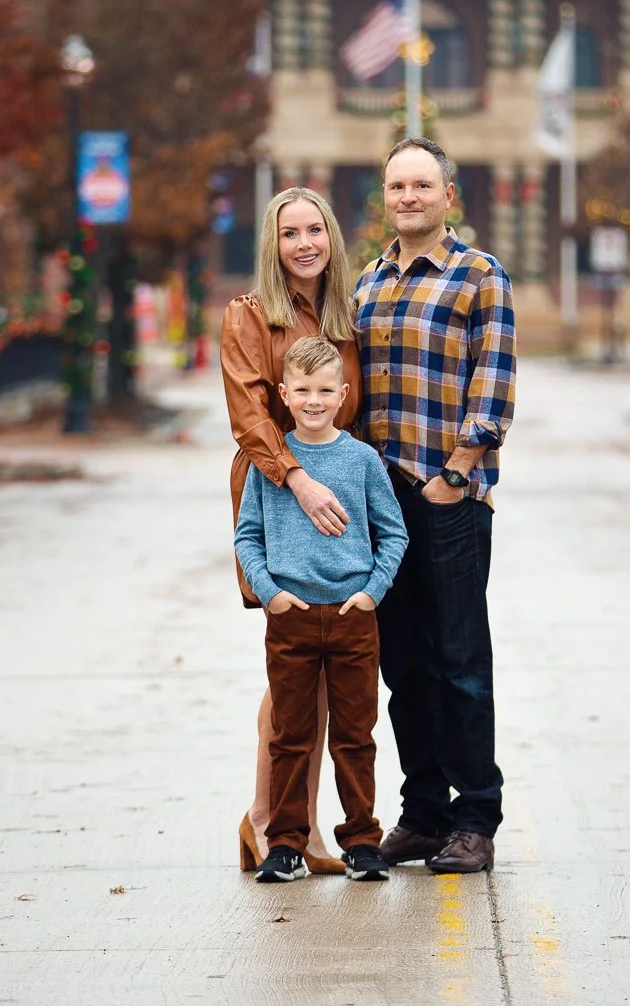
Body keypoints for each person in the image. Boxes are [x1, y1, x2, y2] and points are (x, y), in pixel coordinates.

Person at [357, 137, 517, 875]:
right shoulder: (368, 284)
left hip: (449, 499)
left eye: (422, 184)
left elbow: (495, 384)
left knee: (460, 661)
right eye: (397, 186)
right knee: (404, 667)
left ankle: (475, 816)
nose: (409, 197)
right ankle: (422, 814)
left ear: (447, 196)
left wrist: (456, 472)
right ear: (385, 198)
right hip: (381, 510)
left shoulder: (480, 278)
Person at [219, 187, 362, 876]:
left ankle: (279, 823)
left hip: (337, 512)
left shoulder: (345, 317)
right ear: (272, 247)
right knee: (292, 668)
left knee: (327, 674)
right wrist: (297, 480)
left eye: (315, 229)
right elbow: (249, 419)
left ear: (330, 237)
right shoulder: (248, 317)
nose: (304, 243)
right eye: (289, 233)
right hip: (279, 500)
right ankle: (274, 820)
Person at [233, 336, 408, 882]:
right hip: (291, 619)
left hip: (353, 618)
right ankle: (285, 844)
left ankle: (361, 841)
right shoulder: (276, 464)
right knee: (291, 734)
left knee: (355, 736)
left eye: (325, 390)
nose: (314, 400)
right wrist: (272, 594)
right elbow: (247, 537)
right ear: (283, 394)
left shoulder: (362, 461)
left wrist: (370, 594)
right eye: (303, 389)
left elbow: (393, 534)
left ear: (343, 394)